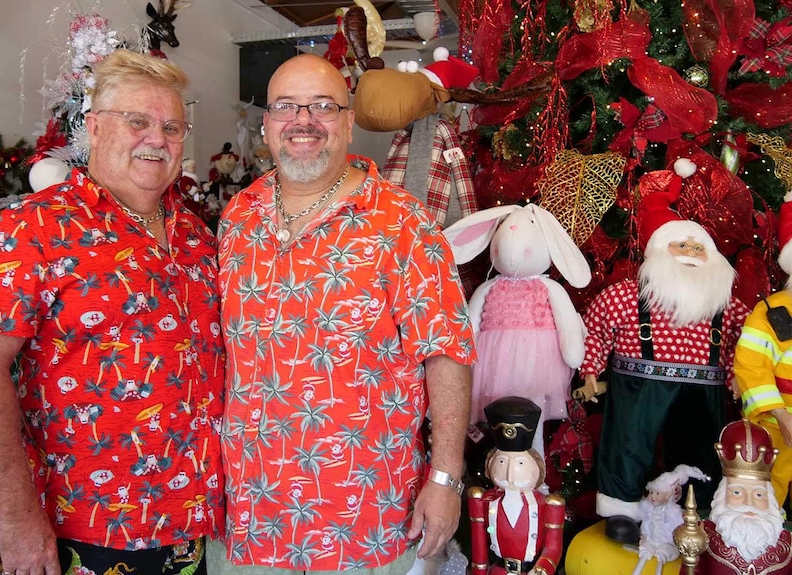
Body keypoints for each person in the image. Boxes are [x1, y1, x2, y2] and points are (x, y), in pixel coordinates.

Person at [0, 49, 224, 575]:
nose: (157, 138)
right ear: (96, 128)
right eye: (138, 121)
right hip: (84, 527)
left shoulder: (197, 235)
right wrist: (16, 517)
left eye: (172, 127)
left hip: (195, 524)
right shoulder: (39, 226)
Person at [211, 53, 475, 573]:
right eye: (286, 106)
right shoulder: (238, 217)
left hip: (364, 522)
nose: (302, 120)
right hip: (249, 519)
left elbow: (447, 352)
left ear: (348, 122)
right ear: (266, 125)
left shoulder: (402, 222)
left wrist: (445, 478)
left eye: (323, 106)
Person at [578, 159, 750, 528]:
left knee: (702, 451)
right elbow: (596, 327)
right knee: (628, 445)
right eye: (681, 245)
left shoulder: (723, 303)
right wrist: (590, 369)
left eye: (697, 247)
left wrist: (739, 374)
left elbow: (746, 340)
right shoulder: (628, 295)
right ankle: (620, 511)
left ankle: (698, 515)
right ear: (658, 252)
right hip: (638, 387)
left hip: (703, 391)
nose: (690, 252)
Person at [735, 197, 792, 510]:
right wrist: (781, 416)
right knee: (766, 497)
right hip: (777, 425)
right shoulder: (771, 312)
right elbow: (751, 367)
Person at [467, 397, 565, 575]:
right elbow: (479, 546)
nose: (510, 474)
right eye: (502, 462)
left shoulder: (549, 504)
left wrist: (542, 569)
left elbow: (553, 548)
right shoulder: (485, 500)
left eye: (520, 464)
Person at [694, 419, 792, 574]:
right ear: (722, 495)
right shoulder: (701, 536)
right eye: (737, 493)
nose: (749, 502)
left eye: (759, 494)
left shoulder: (788, 542)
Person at [630, 465, 708, 575]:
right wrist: (644, 536)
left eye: (657, 493)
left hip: (667, 542)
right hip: (652, 540)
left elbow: (678, 527)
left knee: (662, 555)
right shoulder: (649, 509)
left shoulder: (674, 512)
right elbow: (646, 524)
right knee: (645, 551)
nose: (653, 496)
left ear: (667, 496)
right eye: (651, 492)